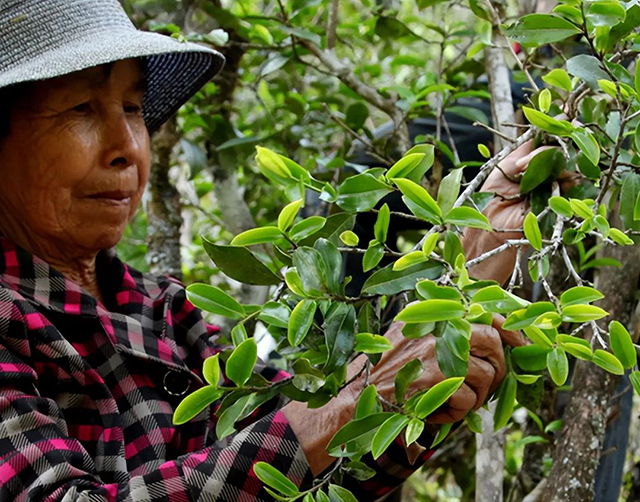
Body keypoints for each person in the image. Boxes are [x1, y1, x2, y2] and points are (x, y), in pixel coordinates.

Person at [0, 1, 541, 501]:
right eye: (79, 109)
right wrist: (356, 399)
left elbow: (298, 461)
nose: (128, 147)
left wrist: (468, 267)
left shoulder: (161, 307)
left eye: (134, 107)